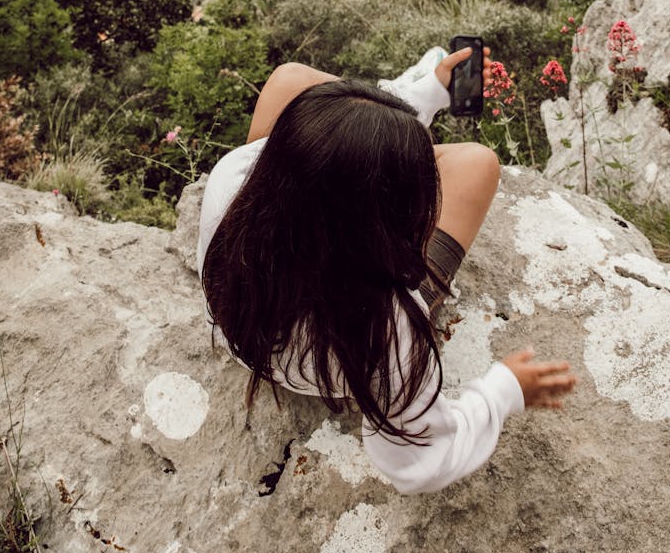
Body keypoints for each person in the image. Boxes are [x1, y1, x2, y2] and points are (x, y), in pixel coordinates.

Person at [198, 47, 576, 495]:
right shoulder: (381, 320)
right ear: (383, 228)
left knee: (289, 80)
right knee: (476, 163)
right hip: (328, 355)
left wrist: (429, 91)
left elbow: (329, 154)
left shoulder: (233, 178)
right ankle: (401, 118)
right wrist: (504, 392)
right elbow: (416, 461)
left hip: (248, 322)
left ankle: (409, 103)